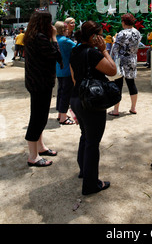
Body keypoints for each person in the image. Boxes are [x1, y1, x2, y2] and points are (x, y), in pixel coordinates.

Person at [69, 21, 116, 195]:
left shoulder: (75, 50)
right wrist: (104, 50)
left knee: (85, 136)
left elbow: (74, 77)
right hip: (91, 103)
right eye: (101, 34)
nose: (103, 38)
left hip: (77, 98)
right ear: (93, 37)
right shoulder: (93, 53)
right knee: (92, 143)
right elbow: (112, 70)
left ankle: (84, 170)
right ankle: (91, 184)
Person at [24, 11, 63, 167]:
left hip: (36, 82)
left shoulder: (32, 36)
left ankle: (40, 147)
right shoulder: (40, 38)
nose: (51, 25)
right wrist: (54, 37)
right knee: (37, 118)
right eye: (49, 22)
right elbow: (57, 56)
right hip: (41, 84)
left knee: (40, 116)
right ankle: (33, 156)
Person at [109, 13, 141, 116]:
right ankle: (133, 108)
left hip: (121, 61)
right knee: (131, 84)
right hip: (132, 59)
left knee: (118, 85)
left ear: (123, 22)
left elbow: (115, 49)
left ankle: (116, 109)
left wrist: (114, 41)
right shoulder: (137, 32)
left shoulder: (122, 33)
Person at [55, 21, 76, 125]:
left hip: (59, 70)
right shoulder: (65, 41)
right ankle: (63, 117)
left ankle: (60, 114)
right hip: (67, 71)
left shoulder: (56, 40)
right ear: (63, 30)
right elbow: (78, 47)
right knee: (66, 94)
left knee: (60, 92)